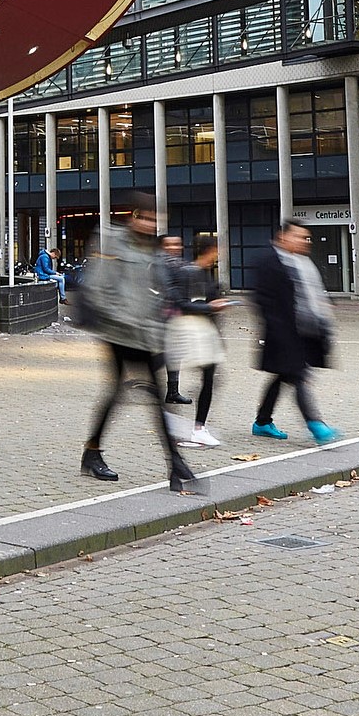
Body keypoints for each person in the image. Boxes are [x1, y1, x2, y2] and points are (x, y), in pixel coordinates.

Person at [78, 196, 200, 494]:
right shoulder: (113, 243)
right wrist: (128, 319)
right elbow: (98, 289)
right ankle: (173, 462)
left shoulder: (153, 250)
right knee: (139, 394)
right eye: (145, 218)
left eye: (154, 219)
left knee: (137, 395)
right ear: (132, 216)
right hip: (118, 333)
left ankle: (96, 453)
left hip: (143, 334)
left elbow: (159, 292)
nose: (150, 224)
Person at [251, 219, 339, 445]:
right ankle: (315, 424)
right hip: (282, 334)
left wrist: (323, 325)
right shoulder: (268, 261)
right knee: (298, 376)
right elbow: (262, 300)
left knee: (283, 377)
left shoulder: (303, 263)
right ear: (283, 237)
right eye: (299, 237)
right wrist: (277, 330)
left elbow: (314, 297)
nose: (305, 241)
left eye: (306, 238)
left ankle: (262, 422)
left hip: (305, 334)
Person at [165, 236, 231, 448]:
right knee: (209, 378)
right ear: (208, 251)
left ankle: (195, 427)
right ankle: (195, 428)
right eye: (216, 250)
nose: (219, 255)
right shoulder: (189, 273)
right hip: (193, 332)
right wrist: (211, 307)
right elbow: (183, 304)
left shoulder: (204, 274)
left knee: (210, 378)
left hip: (204, 332)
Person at [155, 234, 192, 405]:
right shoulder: (159, 264)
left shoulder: (180, 265)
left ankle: (173, 392)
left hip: (176, 315)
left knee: (174, 354)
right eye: (169, 245)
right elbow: (167, 289)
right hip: (162, 315)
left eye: (177, 244)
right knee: (167, 353)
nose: (174, 248)